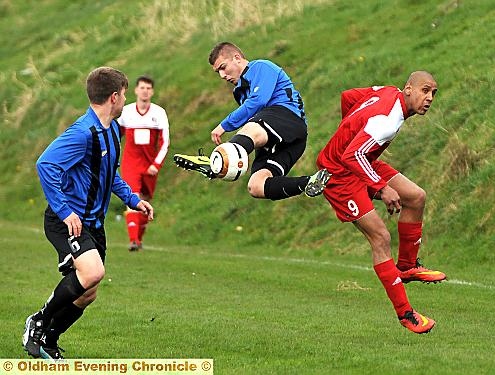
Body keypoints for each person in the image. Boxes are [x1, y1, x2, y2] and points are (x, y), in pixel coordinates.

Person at [23, 67, 154, 359]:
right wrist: (65, 210)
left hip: (93, 224)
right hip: (66, 221)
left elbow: (110, 176)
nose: (126, 101)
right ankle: (38, 322)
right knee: (93, 272)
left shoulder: (111, 133)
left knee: (88, 292)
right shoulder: (83, 133)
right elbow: (46, 165)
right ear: (114, 97)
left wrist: (134, 199)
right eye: (125, 95)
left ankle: (48, 340)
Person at [316, 71, 446, 334]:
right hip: (338, 174)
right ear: (408, 89)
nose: (429, 98)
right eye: (425, 90)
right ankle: (406, 315)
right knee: (381, 238)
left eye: (433, 93)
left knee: (416, 197)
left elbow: (348, 97)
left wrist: (350, 129)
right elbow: (352, 155)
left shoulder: (387, 91)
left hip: (361, 160)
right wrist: (381, 187)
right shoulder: (386, 121)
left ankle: (408, 267)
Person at [174, 42, 330, 200]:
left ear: (237, 58)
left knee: (251, 128)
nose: (222, 75)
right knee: (256, 186)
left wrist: (224, 125)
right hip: (286, 141)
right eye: (217, 72)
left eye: (223, 67)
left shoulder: (261, 67)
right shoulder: (239, 92)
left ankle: (217, 161)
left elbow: (258, 101)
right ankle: (311, 181)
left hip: (288, 119)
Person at [118, 75, 170, 251]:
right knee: (132, 197)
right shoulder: (126, 112)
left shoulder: (159, 113)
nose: (145, 91)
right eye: (142, 88)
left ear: (152, 91)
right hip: (131, 163)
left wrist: (156, 164)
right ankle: (133, 240)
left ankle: (138, 238)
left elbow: (165, 142)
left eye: (148, 88)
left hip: (149, 164)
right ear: (136, 90)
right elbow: (116, 135)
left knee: (145, 202)